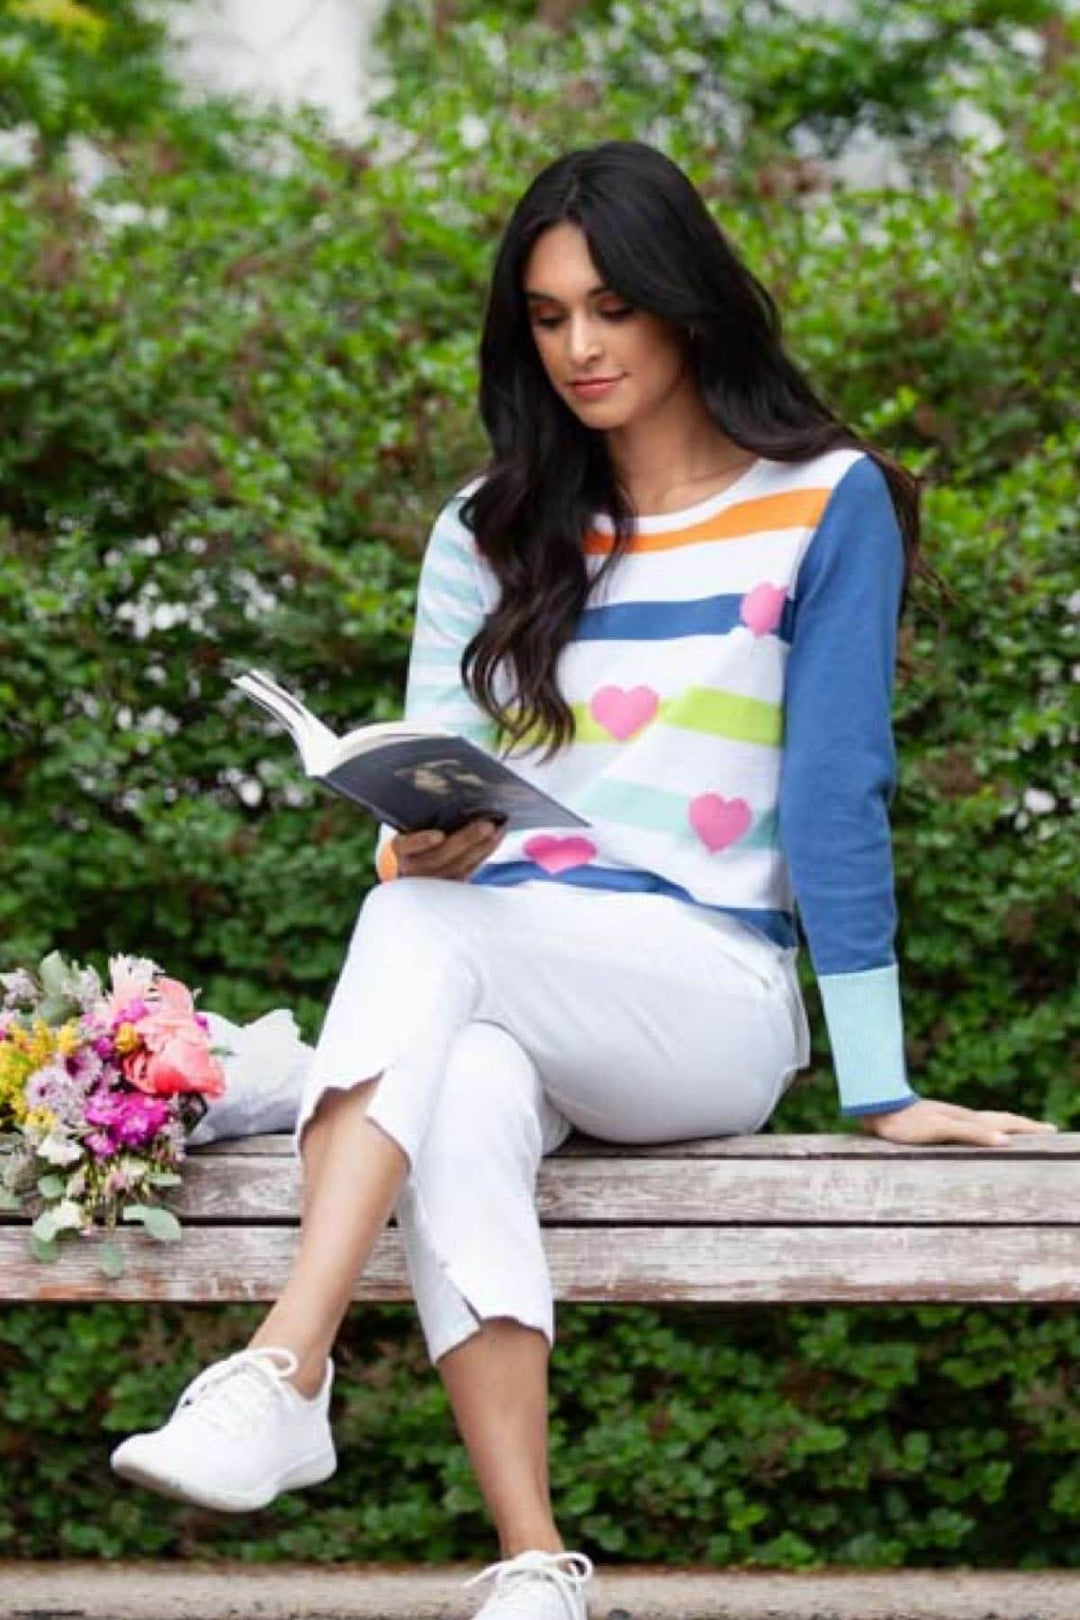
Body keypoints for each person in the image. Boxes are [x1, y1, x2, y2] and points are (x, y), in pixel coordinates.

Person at [109, 139, 1057, 1619]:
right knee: (464, 1070)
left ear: (687, 305)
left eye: (611, 307)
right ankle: (534, 1561)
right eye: (548, 318)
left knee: (425, 929)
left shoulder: (827, 502)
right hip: (502, 966)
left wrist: (880, 1080)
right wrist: (415, 832)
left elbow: (836, 799)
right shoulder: (490, 529)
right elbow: (420, 784)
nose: (581, 348)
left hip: (713, 998)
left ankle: (287, 1365)